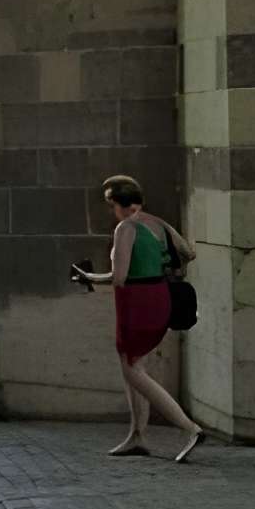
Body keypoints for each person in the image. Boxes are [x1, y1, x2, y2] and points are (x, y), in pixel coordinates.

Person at [72, 173, 202, 461]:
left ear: (118, 204)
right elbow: (188, 253)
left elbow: (119, 277)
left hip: (136, 302)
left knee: (132, 370)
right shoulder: (158, 223)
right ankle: (137, 436)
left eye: (111, 205)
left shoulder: (125, 228)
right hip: (161, 296)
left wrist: (90, 277)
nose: (111, 211)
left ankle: (190, 429)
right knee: (135, 364)